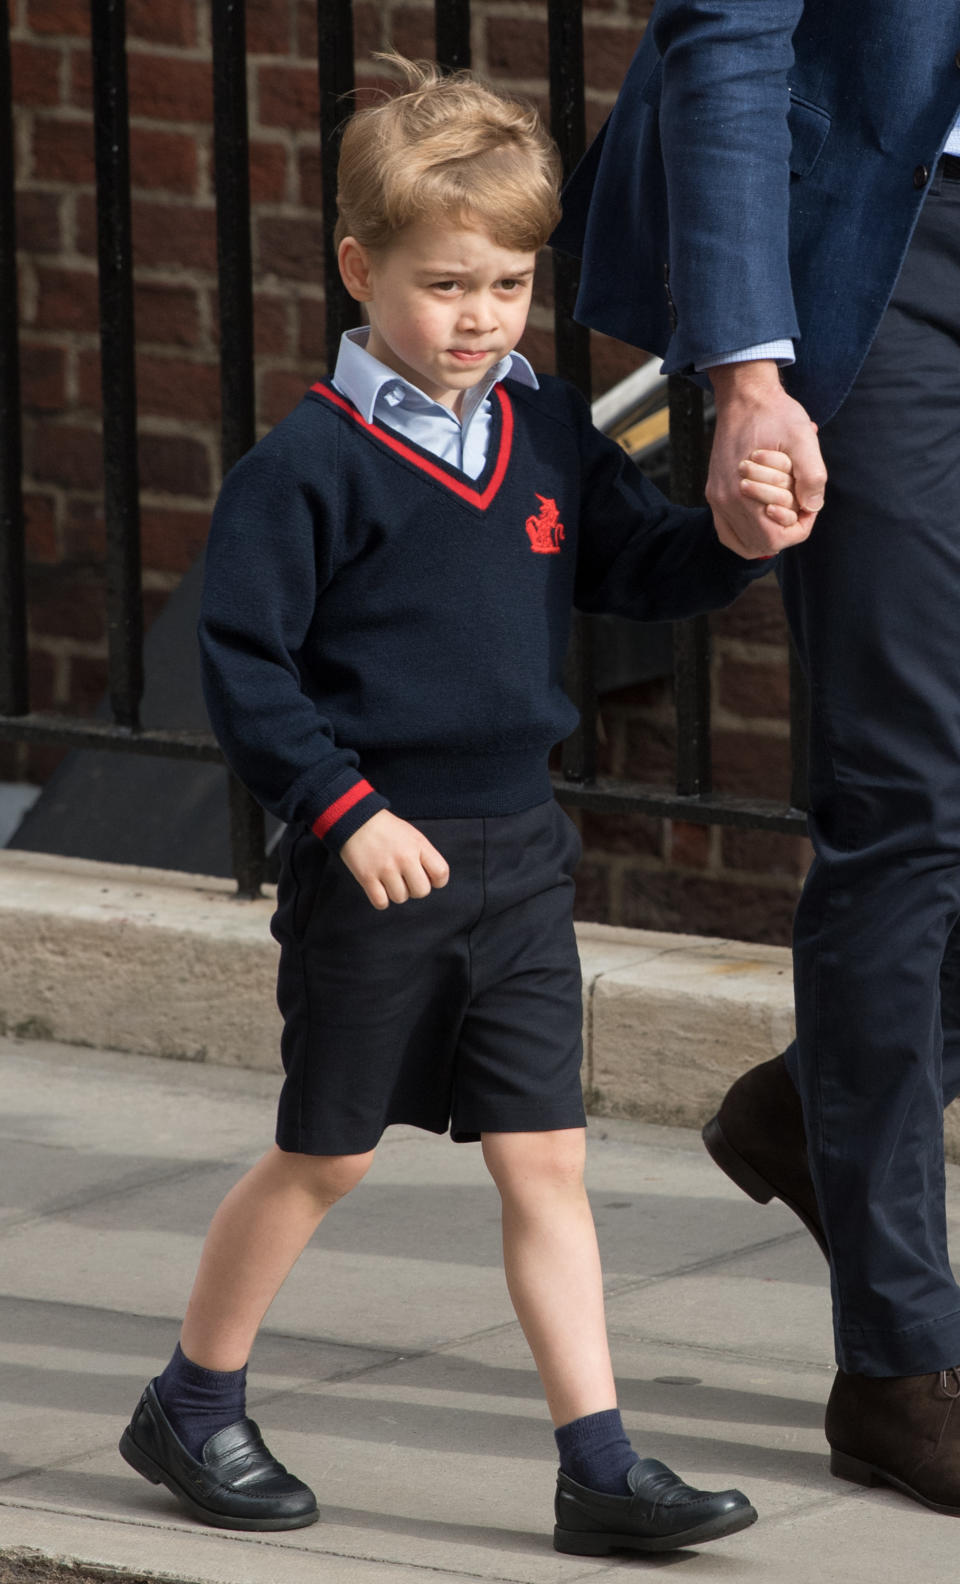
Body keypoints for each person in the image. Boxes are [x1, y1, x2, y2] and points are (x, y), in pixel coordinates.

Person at [117, 56, 805, 1555]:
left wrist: (738, 539)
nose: (482, 313)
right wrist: (344, 811)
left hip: (519, 861)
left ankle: (599, 1463)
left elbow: (638, 571)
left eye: (508, 281)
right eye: (446, 284)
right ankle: (193, 1398)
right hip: (378, 862)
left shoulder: (548, 428)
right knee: (328, 1152)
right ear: (361, 270)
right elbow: (245, 670)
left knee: (547, 1158)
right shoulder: (304, 470)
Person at [553, 0, 960, 1518]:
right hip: (873, 241)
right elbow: (735, 32)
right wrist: (742, 373)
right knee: (909, 797)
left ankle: (820, 1104)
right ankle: (901, 1364)